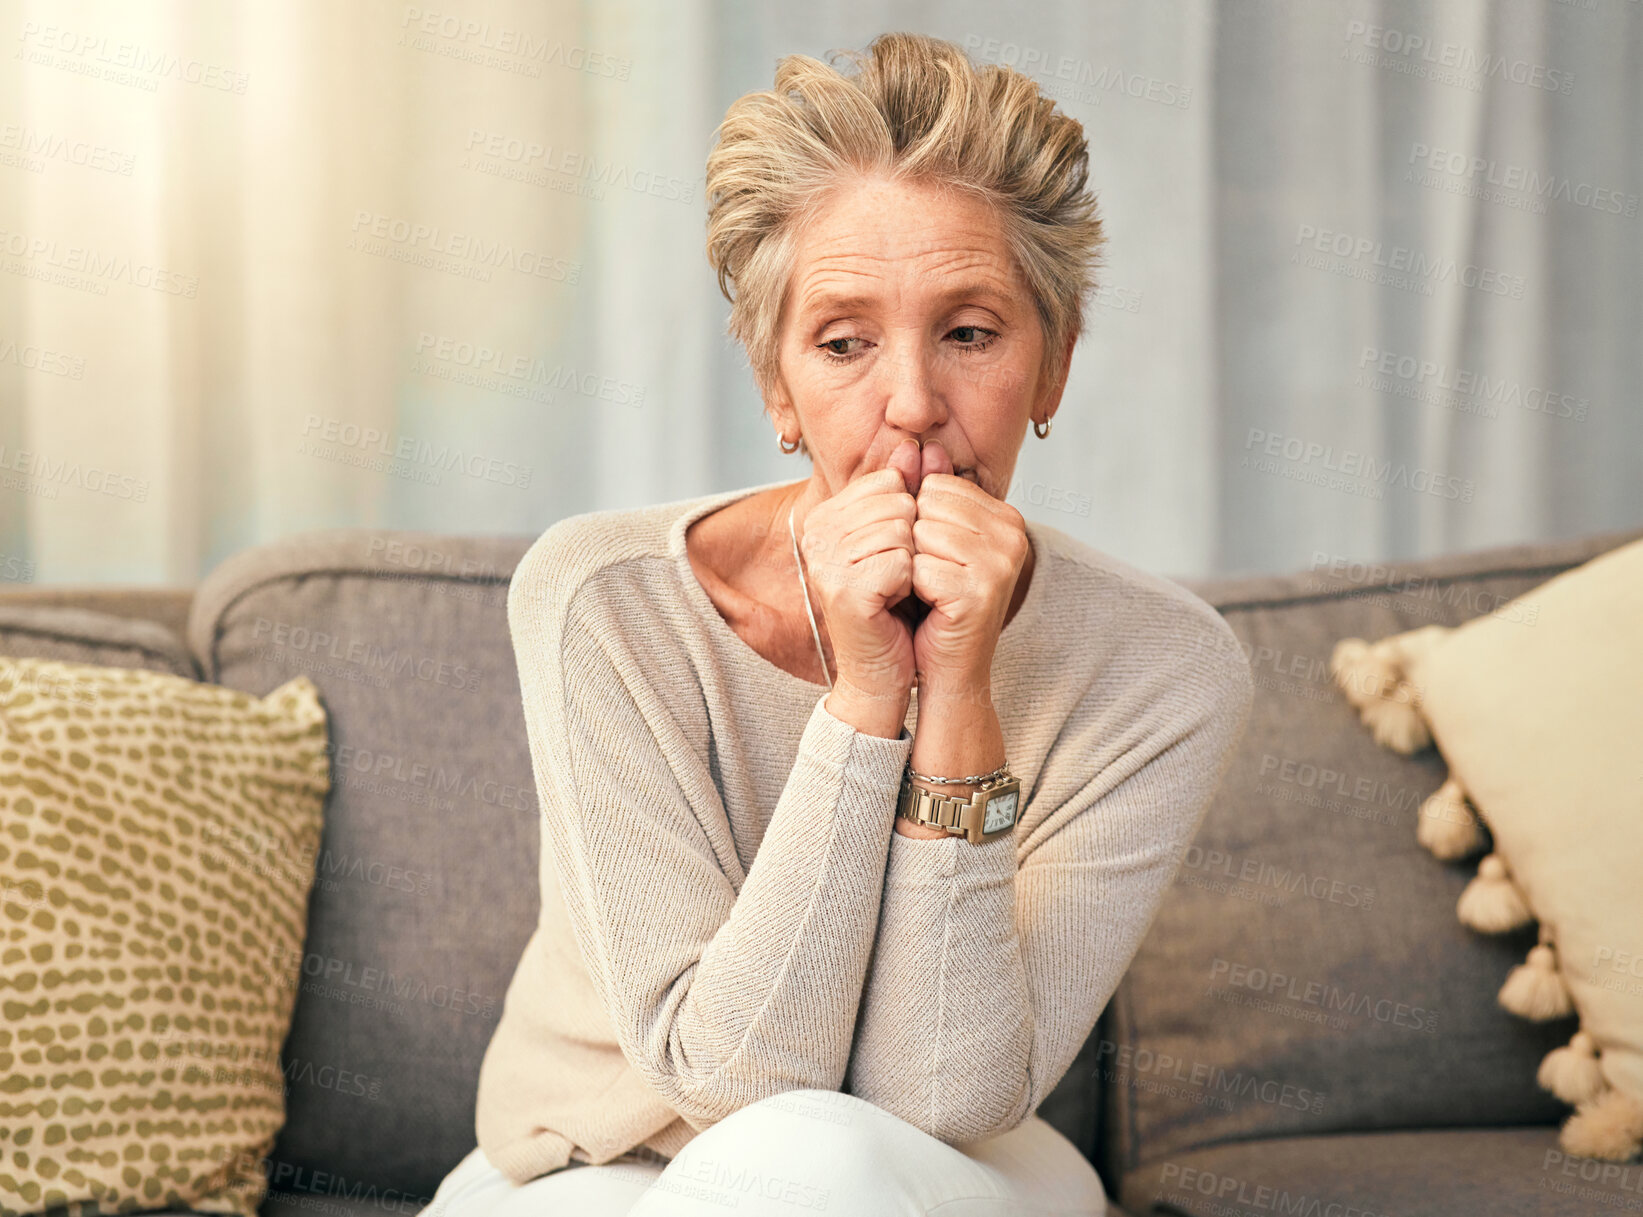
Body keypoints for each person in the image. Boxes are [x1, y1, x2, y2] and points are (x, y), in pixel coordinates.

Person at [425, 30, 1253, 1217]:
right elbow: (726, 1077)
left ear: (1054, 366)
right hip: (594, 1162)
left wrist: (953, 695)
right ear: (775, 382)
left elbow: (940, 1089)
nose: (911, 404)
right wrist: (864, 702)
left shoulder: (1164, 671)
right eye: (842, 342)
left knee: (813, 1162)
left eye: (969, 332)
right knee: (782, 1160)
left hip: (955, 1169)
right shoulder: (601, 599)